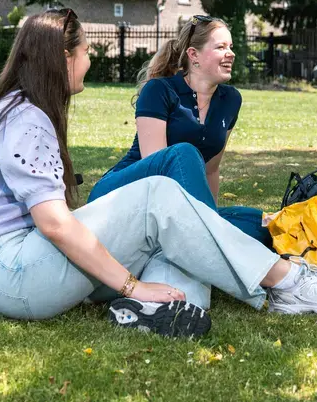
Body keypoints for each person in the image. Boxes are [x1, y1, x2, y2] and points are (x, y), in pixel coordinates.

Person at [0, 9, 317, 337]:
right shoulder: (27, 120)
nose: (90, 59)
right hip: (20, 276)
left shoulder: (11, 109)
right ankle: (286, 282)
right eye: (85, 51)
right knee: (161, 194)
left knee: (172, 235)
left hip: (14, 271)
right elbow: (54, 225)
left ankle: (166, 309)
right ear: (64, 58)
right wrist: (130, 285)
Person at [87, 15, 270, 248]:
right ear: (194, 55)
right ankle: (209, 236)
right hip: (123, 193)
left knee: (263, 223)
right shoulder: (160, 90)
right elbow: (157, 170)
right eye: (221, 47)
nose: (231, 53)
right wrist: (209, 222)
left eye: (231, 47)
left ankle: (208, 234)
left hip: (183, 208)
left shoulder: (231, 99)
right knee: (182, 154)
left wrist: (211, 214)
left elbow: (211, 169)